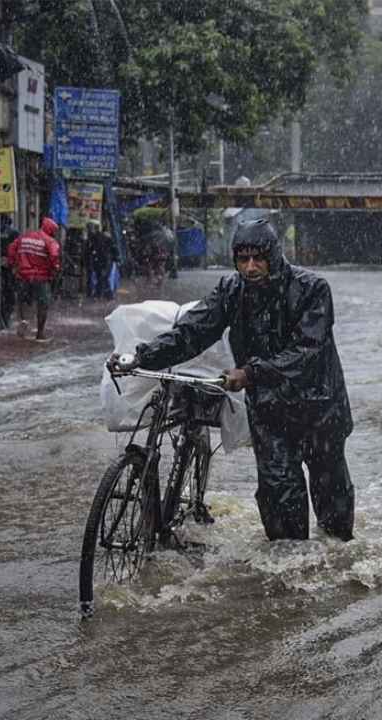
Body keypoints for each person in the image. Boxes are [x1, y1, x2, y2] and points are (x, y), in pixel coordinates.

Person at [109, 218, 356, 542]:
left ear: (274, 255)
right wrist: (143, 356)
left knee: (332, 499)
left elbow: (306, 350)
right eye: (243, 259)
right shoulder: (232, 290)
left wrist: (251, 373)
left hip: (320, 409)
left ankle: (337, 565)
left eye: (258, 258)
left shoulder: (312, 289)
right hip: (270, 411)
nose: (251, 267)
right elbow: (192, 332)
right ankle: (289, 575)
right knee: (280, 497)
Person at [6, 217, 61, 342]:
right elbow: (54, 257)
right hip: (41, 278)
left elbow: (11, 248)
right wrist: (55, 270)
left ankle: (24, 320)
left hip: (23, 276)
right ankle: (40, 333)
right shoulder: (50, 241)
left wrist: (13, 263)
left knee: (24, 301)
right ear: (51, 230)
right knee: (43, 304)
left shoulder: (25, 237)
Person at [86, 220, 118, 300]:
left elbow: (110, 249)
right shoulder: (95, 238)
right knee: (101, 277)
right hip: (102, 260)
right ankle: (103, 295)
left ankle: (104, 295)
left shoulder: (99, 238)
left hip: (104, 260)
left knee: (103, 277)